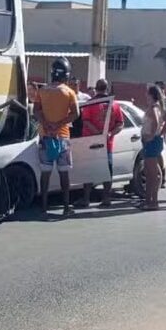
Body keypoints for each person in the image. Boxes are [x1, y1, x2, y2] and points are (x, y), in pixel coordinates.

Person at [34, 57, 79, 217]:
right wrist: (59, 124)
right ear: (66, 75)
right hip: (62, 138)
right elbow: (76, 114)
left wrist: (46, 124)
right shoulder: (69, 92)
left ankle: (44, 206)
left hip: (45, 138)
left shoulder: (42, 90)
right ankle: (66, 207)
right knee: (64, 174)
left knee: (45, 174)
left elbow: (35, 111)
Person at [76, 79, 124, 208]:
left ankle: (86, 199)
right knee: (107, 171)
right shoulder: (114, 105)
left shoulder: (90, 104)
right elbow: (120, 124)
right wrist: (109, 134)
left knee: (89, 170)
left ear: (96, 89)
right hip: (107, 144)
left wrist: (98, 134)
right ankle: (106, 198)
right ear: (106, 89)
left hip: (90, 143)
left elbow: (85, 121)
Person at [139, 85, 165, 211]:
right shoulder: (156, 107)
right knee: (150, 173)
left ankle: (153, 201)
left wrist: (151, 135)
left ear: (151, 94)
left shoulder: (154, 107)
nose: (145, 95)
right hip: (152, 141)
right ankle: (148, 200)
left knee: (152, 174)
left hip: (152, 142)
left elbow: (155, 122)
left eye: (147, 93)